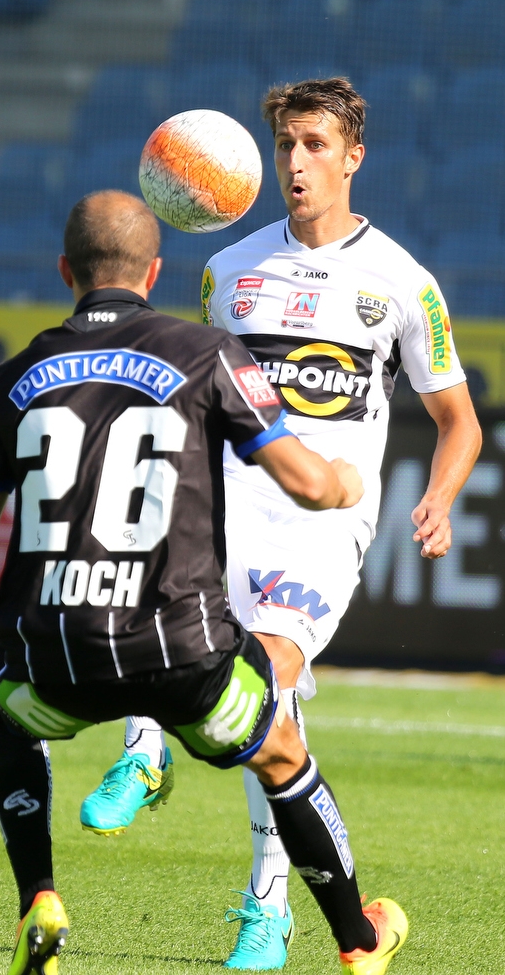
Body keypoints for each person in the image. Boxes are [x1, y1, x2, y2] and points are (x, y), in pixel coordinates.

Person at [0, 189, 408, 975]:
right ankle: (356, 941)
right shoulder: (205, 352)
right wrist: (349, 483)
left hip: (58, 658)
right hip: (184, 657)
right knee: (279, 750)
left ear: (63, 271)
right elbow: (308, 486)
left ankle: (38, 898)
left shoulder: (11, 380)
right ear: (154, 272)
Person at [83, 79, 482, 971]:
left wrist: (439, 497)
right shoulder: (229, 271)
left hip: (320, 525)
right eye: (284, 147)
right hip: (220, 507)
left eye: (312, 145)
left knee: (261, 686)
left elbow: (459, 421)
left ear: (351, 156)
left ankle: (267, 910)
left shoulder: (403, 284)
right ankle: (146, 758)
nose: (295, 164)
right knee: (164, 636)